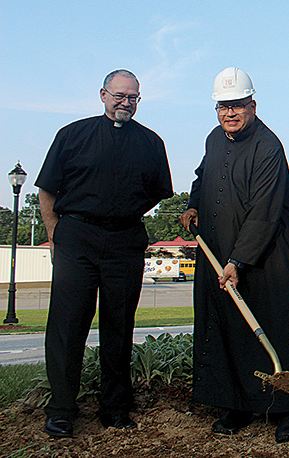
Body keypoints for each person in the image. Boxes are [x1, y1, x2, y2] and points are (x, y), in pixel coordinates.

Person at [179, 67, 289, 443]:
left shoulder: (269, 146)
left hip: (267, 260)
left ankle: (288, 410)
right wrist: (193, 205)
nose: (229, 113)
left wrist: (237, 261)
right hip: (220, 253)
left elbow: (264, 210)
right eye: (223, 107)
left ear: (252, 105)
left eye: (237, 105)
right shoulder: (213, 139)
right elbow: (202, 176)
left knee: (277, 329)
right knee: (228, 330)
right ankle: (235, 404)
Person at [35, 69, 173, 438]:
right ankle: (62, 408)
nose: (125, 103)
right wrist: (56, 238)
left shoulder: (150, 142)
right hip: (76, 240)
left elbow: (159, 191)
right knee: (67, 327)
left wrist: (124, 208)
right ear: (102, 94)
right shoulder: (72, 136)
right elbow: (46, 193)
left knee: (118, 327)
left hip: (125, 242)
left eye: (133, 97)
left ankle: (114, 407)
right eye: (119, 95)